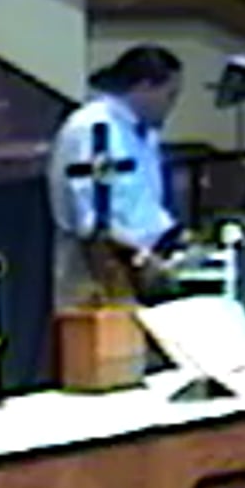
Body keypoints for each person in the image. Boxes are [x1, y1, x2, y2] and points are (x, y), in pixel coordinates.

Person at [47, 43, 185, 310]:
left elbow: (141, 205)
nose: (171, 107)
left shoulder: (143, 133)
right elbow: (89, 216)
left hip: (144, 264)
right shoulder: (93, 128)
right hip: (102, 267)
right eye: (170, 96)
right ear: (144, 87)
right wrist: (138, 257)